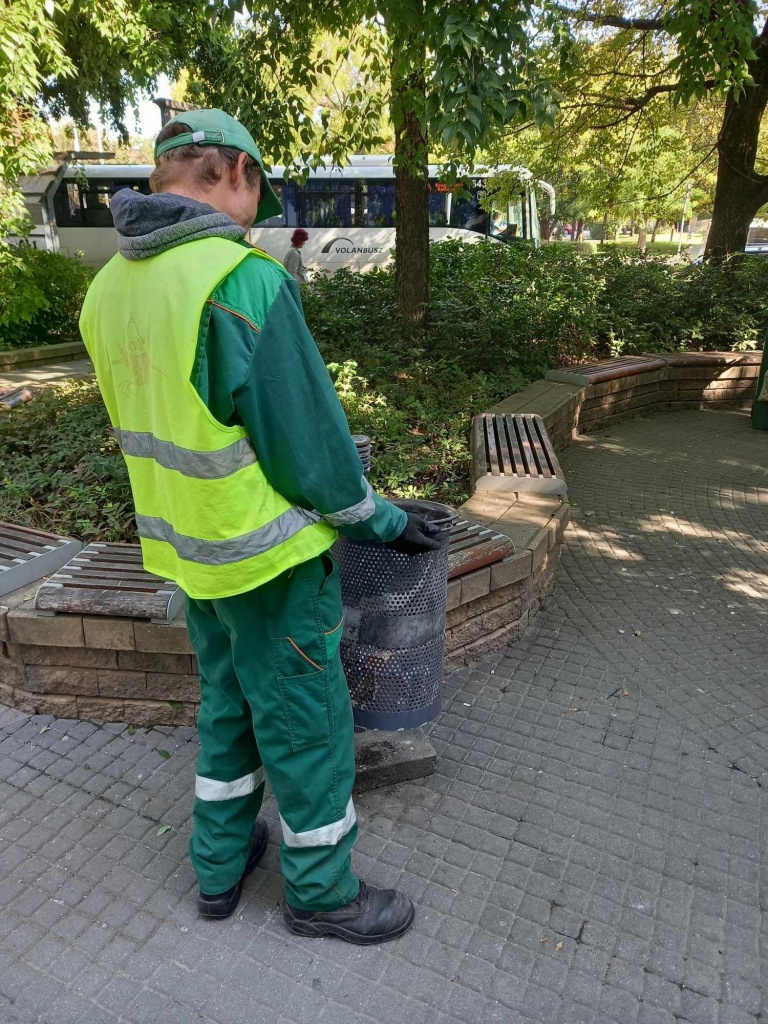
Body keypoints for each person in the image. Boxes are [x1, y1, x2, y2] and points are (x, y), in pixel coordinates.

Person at [79, 109, 442, 944]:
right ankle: (321, 895)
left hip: (190, 554)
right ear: (231, 173)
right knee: (307, 723)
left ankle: (218, 869)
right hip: (269, 562)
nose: (262, 211)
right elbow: (311, 451)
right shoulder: (240, 281)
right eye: (259, 190)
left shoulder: (108, 288)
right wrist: (385, 522)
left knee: (228, 708)